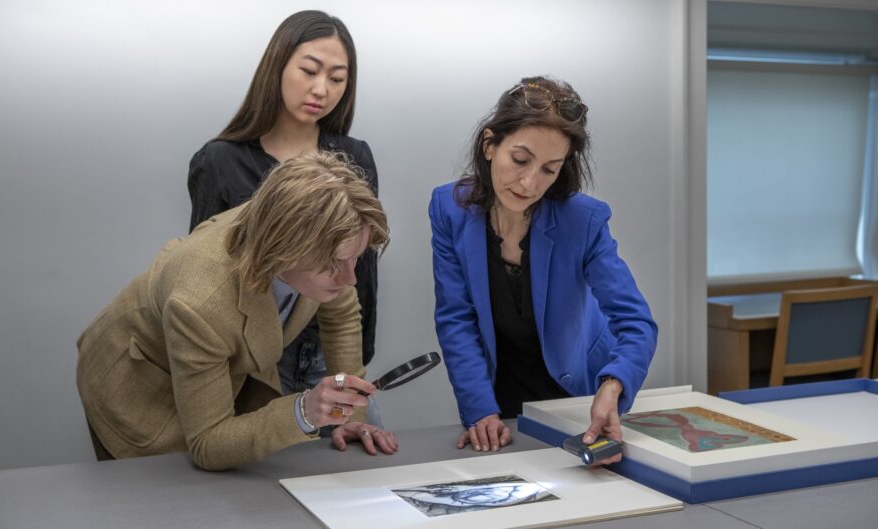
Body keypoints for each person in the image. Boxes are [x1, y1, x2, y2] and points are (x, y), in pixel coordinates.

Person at [77, 152, 397, 471]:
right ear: (286, 250)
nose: (350, 278)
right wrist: (303, 411)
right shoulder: (199, 301)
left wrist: (349, 416)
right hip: (135, 385)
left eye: (354, 258)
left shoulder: (316, 231)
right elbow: (207, 443)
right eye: (334, 265)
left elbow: (339, 313)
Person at [428, 76, 657, 463]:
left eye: (549, 169)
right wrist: (479, 408)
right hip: (497, 392)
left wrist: (613, 384)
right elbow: (456, 318)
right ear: (489, 145)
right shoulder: (450, 208)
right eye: (519, 160)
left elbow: (636, 321)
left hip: (578, 393)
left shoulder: (583, 220)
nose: (530, 183)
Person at [187, 11, 382, 423]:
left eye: (336, 78)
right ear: (277, 67)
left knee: (354, 465)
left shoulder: (354, 157)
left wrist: (354, 358)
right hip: (258, 359)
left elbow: (361, 266)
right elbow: (204, 275)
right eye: (309, 70)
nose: (320, 89)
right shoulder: (220, 161)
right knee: (261, 475)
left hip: (337, 344)